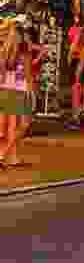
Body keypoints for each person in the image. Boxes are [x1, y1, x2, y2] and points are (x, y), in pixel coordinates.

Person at [0, 24, 47, 168]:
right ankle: (3, 153)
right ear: (22, 37)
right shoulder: (24, 53)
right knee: (24, 124)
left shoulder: (3, 52)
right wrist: (33, 94)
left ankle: (12, 158)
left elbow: (1, 77)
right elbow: (28, 77)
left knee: (11, 128)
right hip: (20, 92)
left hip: (5, 90)